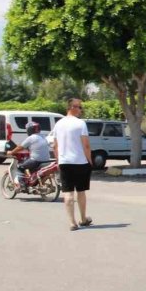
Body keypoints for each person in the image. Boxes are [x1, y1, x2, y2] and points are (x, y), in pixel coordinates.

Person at [52, 98, 93, 231]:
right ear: (72, 107)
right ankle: (83, 218)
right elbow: (86, 145)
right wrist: (90, 160)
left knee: (68, 192)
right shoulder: (80, 124)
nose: (81, 110)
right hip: (80, 162)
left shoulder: (58, 124)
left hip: (65, 163)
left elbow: (55, 146)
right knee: (81, 191)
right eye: (80, 107)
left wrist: (58, 161)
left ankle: (72, 222)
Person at [7, 122, 50, 188]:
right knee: (30, 167)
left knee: (20, 167)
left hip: (36, 160)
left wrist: (12, 152)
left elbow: (20, 147)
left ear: (30, 130)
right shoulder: (43, 136)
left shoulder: (31, 138)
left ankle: (21, 184)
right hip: (47, 160)